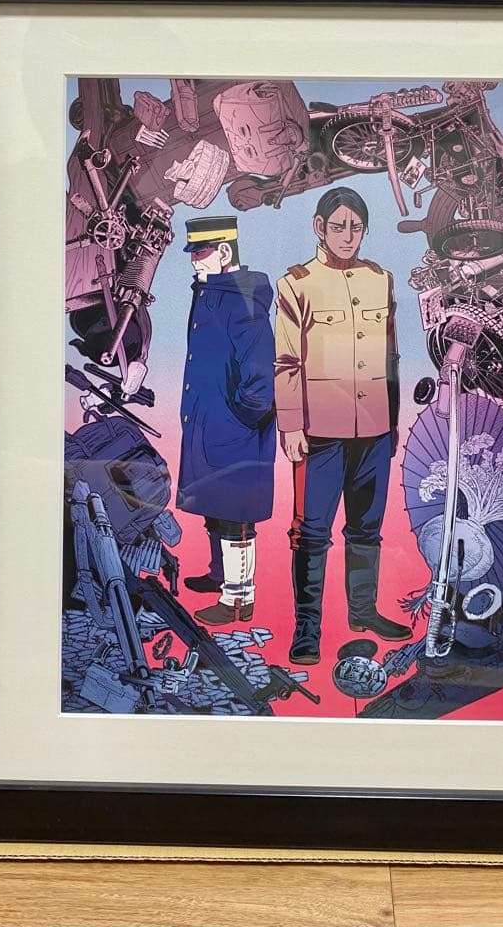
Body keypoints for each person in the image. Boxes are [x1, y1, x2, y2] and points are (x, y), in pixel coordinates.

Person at [274, 187, 411, 664]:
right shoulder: (296, 284)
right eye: (338, 226)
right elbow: (287, 361)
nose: (348, 235)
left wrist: (392, 425)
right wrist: (291, 427)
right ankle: (307, 630)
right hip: (320, 432)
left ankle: (363, 611)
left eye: (356, 227)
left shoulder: (381, 280)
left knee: (367, 528)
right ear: (319, 227)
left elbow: (391, 358)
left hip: (373, 428)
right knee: (311, 532)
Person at [177, 216, 275, 625]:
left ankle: (238, 598)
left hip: (234, 430)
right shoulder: (209, 292)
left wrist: (238, 420)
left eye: (201, 252)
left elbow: (261, 378)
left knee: (236, 516)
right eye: (193, 253)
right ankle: (220, 575)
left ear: (224, 251)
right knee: (215, 507)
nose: (194, 261)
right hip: (208, 421)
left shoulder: (242, 299)